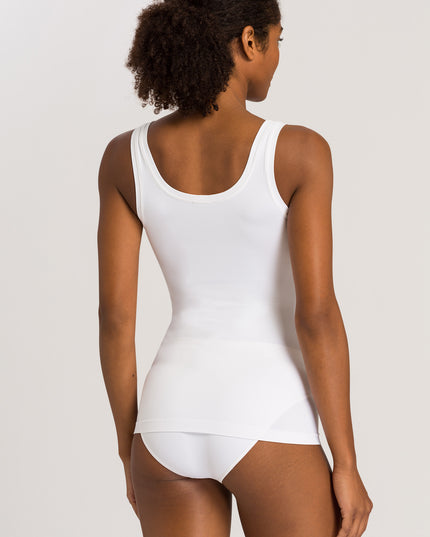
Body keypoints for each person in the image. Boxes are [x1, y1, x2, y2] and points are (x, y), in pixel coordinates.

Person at [97, 0, 373, 535]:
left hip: (166, 419)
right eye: (277, 40)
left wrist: (130, 445)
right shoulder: (299, 151)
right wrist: (346, 463)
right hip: (268, 414)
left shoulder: (123, 157)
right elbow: (316, 316)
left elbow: (115, 320)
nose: (277, 56)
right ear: (250, 41)